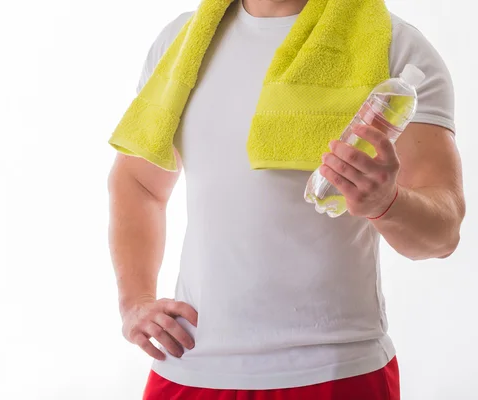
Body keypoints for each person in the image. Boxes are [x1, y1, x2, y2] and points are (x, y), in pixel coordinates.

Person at [107, 0, 465, 398]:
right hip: (189, 365)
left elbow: (443, 233)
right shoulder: (180, 43)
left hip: (335, 371)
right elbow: (138, 183)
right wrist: (135, 301)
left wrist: (388, 202)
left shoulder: (397, 48)